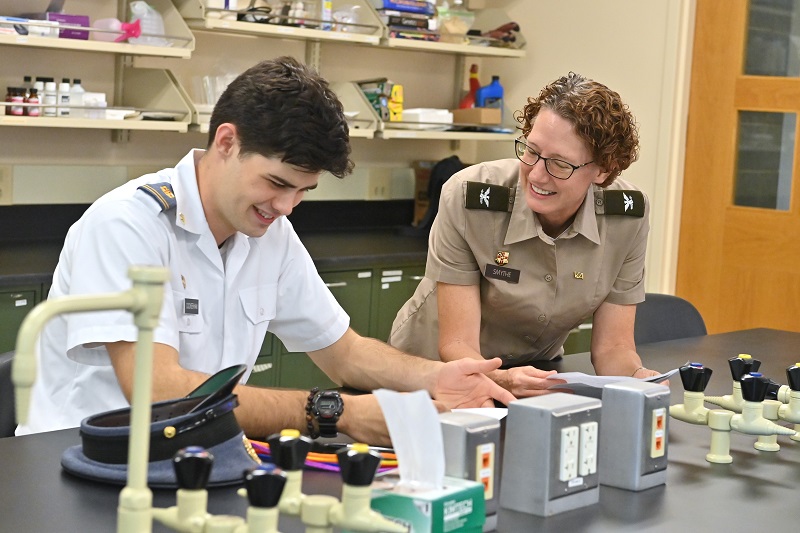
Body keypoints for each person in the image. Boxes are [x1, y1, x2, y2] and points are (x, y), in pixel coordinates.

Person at [17, 56, 515, 445]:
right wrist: (338, 413)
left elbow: (344, 352)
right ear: (226, 142)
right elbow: (159, 392)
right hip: (80, 459)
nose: (286, 207)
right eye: (277, 183)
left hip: (195, 451)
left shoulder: (266, 231)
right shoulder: (127, 225)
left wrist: (437, 377)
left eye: (302, 191)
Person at [390, 72, 662, 399]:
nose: (536, 174)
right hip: (431, 373)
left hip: (532, 377)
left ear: (603, 169)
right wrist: (504, 382)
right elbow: (456, 344)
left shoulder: (626, 217)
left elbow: (614, 348)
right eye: (531, 151)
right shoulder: (469, 198)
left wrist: (637, 378)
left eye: (560, 164)